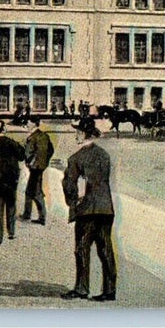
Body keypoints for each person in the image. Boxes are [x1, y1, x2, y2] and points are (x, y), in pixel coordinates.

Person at [62, 117, 117, 301]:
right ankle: (110, 290)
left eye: (78, 132)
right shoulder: (104, 155)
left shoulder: (76, 158)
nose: (76, 135)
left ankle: (81, 288)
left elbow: (69, 184)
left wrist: (73, 202)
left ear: (85, 134)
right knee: (105, 248)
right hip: (106, 208)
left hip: (87, 210)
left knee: (81, 249)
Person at [21, 117, 55, 224]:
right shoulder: (43, 135)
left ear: (34, 124)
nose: (26, 123)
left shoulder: (35, 136)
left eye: (28, 122)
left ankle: (41, 217)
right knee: (30, 191)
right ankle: (27, 214)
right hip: (38, 167)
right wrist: (45, 162)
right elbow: (50, 150)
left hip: (36, 168)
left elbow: (38, 152)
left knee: (36, 193)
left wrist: (31, 163)